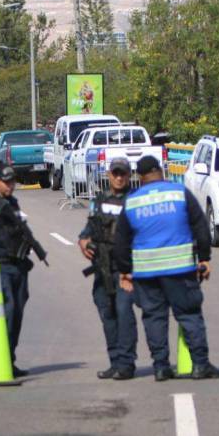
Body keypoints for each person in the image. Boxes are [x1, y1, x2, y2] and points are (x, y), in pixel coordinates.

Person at [114, 155, 219, 381]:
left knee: (154, 317)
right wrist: (204, 258)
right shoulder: (179, 194)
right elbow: (200, 226)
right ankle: (200, 365)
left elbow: (121, 241)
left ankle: (161, 367)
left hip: (146, 273)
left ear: (140, 177)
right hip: (180, 269)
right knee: (189, 315)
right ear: (161, 172)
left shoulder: (133, 201)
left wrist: (125, 271)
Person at [0, 161, 47, 377]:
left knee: (18, 311)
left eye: (12, 181)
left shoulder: (12, 202)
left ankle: (9, 358)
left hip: (19, 264)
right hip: (0, 265)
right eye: (5, 182)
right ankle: (0, 358)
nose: (10, 185)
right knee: (8, 310)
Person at [78, 158, 138, 380]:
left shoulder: (135, 200)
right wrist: (83, 240)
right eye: (115, 173)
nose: (119, 177)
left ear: (129, 175)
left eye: (123, 173)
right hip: (102, 266)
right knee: (107, 313)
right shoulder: (99, 200)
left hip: (125, 268)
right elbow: (89, 228)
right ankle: (115, 362)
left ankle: (127, 363)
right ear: (109, 175)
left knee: (124, 313)